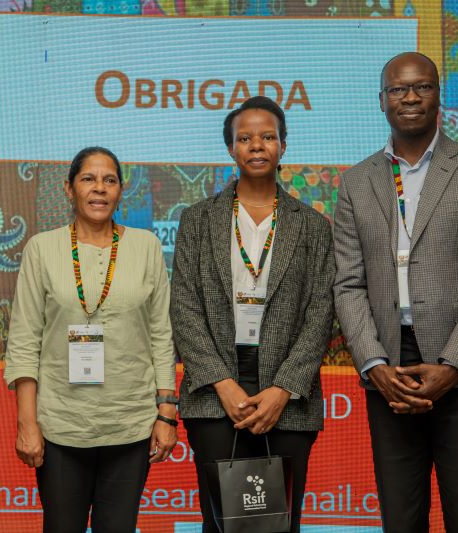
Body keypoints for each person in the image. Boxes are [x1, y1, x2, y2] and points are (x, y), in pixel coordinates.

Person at [333, 52, 458, 533]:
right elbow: (348, 283)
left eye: (422, 87)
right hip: (389, 372)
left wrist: (454, 365)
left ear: (438, 95)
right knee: (401, 520)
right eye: (398, 89)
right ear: (381, 101)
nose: (410, 97)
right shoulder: (356, 182)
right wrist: (373, 365)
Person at [171, 96, 335, 532]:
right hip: (214, 392)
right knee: (224, 523)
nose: (257, 145)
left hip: (288, 394)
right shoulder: (197, 220)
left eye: (267, 136)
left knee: (276, 524)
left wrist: (283, 388)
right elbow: (184, 305)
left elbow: (322, 311)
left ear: (284, 146)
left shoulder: (313, 225)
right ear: (231, 149)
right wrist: (222, 384)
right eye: (245, 138)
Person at [4, 147, 177, 532]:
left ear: (120, 191)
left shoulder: (145, 246)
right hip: (62, 427)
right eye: (88, 179)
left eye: (109, 180)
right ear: (69, 189)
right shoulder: (42, 249)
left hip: (130, 425)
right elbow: (24, 340)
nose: (99, 189)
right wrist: (27, 423)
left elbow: (161, 335)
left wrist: (166, 413)